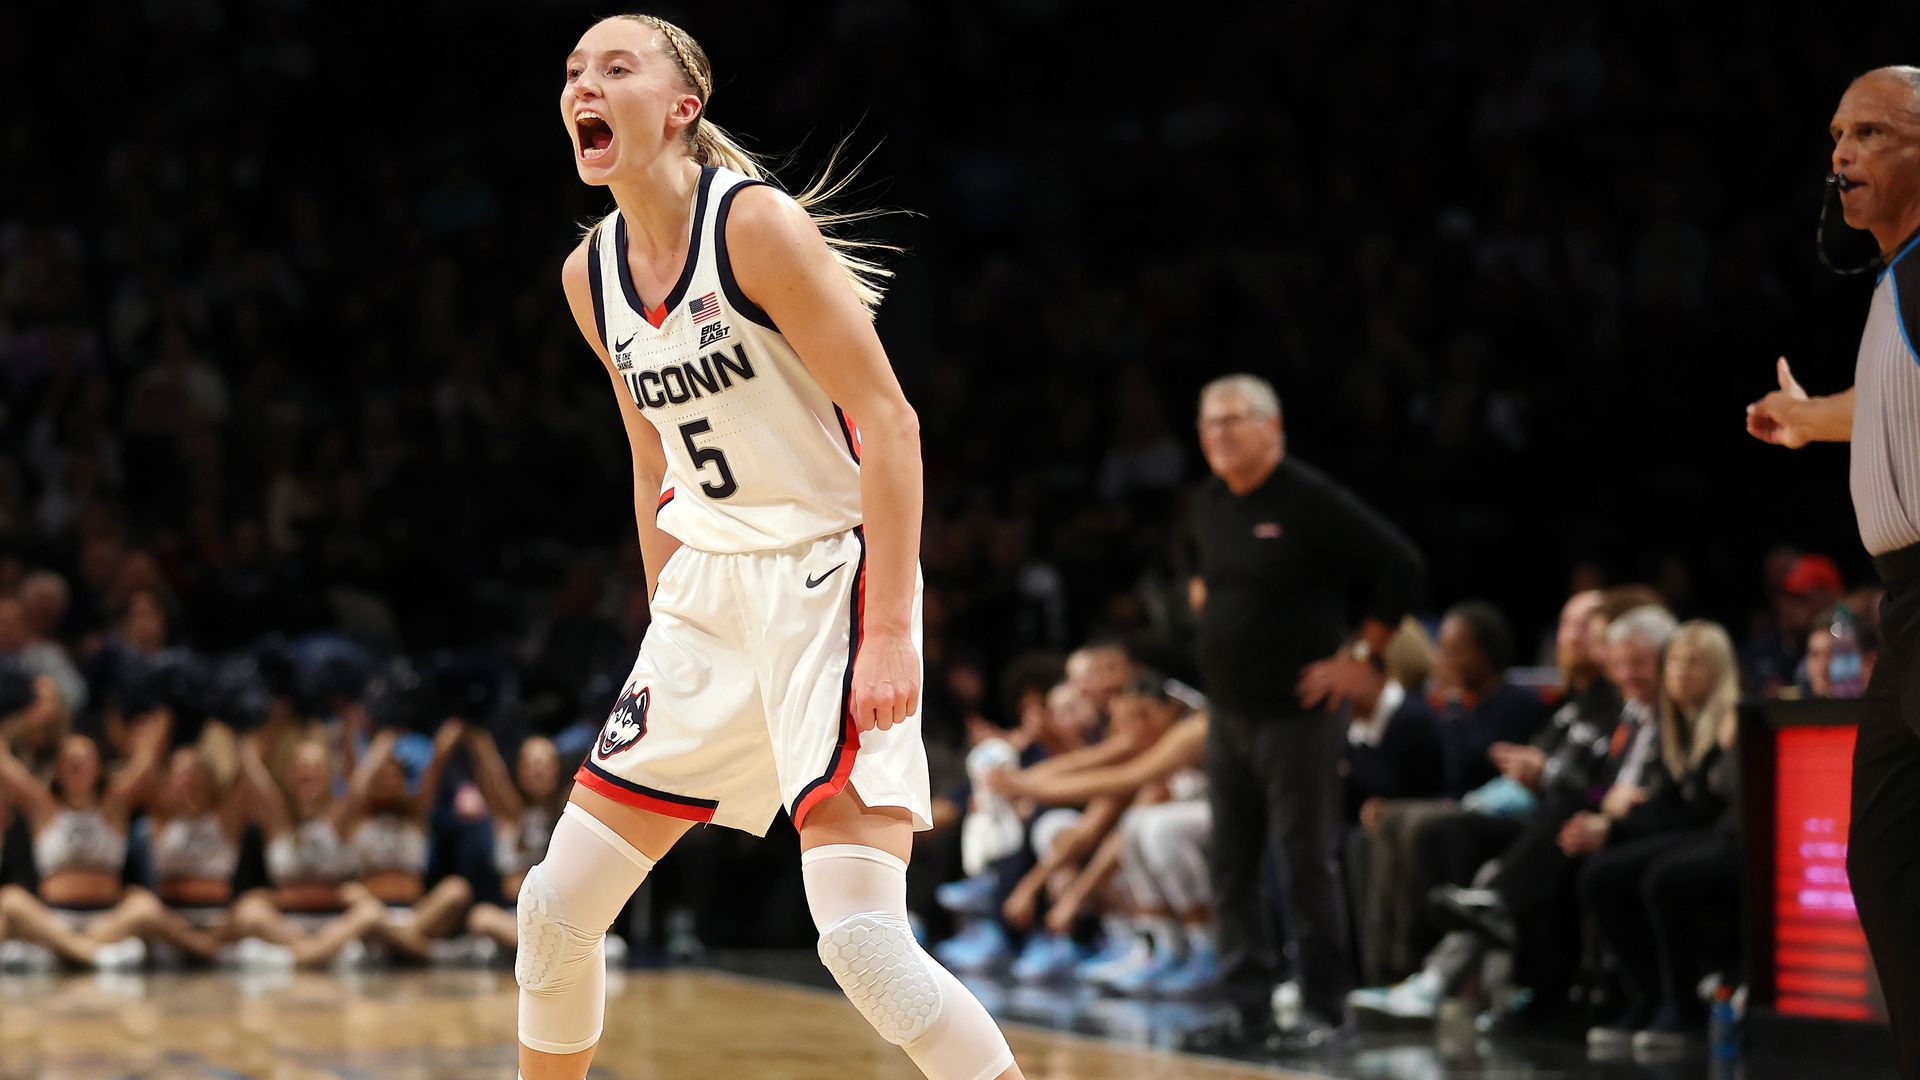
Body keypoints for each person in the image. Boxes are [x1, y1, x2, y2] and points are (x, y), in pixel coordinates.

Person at [524, 16, 1020, 1080]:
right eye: (572, 73)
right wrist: (667, 605)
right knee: (555, 913)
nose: (584, 88)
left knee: (863, 945)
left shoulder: (754, 226)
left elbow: (889, 424)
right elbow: (647, 449)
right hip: (709, 591)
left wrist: (890, 628)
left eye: (616, 68)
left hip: (826, 578)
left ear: (682, 106)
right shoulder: (589, 275)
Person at [1744, 64, 1920, 1076]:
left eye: (1871, 133)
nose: (1841, 155)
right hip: (1907, 610)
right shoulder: (1901, 280)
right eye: (1835, 136)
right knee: (1887, 864)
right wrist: (1807, 420)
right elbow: (1895, 407)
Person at [1181, 373, 1425, 1052]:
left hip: (1299, 716)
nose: (1218, 435)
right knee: (1231, 868)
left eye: (1233, 420)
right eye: (1208, 424)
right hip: (1228, 715)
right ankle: (1248, 1010)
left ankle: (1324, 1010)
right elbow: (1195, 566)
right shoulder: (1208, 504)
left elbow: (1401, 565)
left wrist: (1364, 657)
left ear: (1271, 428)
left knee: (1305, 863)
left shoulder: (1309, 499)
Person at [1573, 620, 1740, 1056]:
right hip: (1691, 831)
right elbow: (1668, 803)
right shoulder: (1674, 725)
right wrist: (1611, 826)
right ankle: (1646, 995)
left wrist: (1616, 826)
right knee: (1601, 875)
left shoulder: (1732, 720)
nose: (1682, 672)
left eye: (1695, 662)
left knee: (1661, 877)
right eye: (1676, 662)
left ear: (1719, 669)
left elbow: (1711, 808)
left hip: (1730, 837)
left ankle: (1683, 1006)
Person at [466, 728, 568, 953]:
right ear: (520, 770)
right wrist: (476, 733)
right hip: (513, 917)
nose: (538, 770)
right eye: (532, 763)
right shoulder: (508, 813)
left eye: (545, 763)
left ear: (557, 770)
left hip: (557, 915)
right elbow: (491, 768)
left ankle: (540, 947)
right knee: (481, 917)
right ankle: (546, 949)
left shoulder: (569, 812)